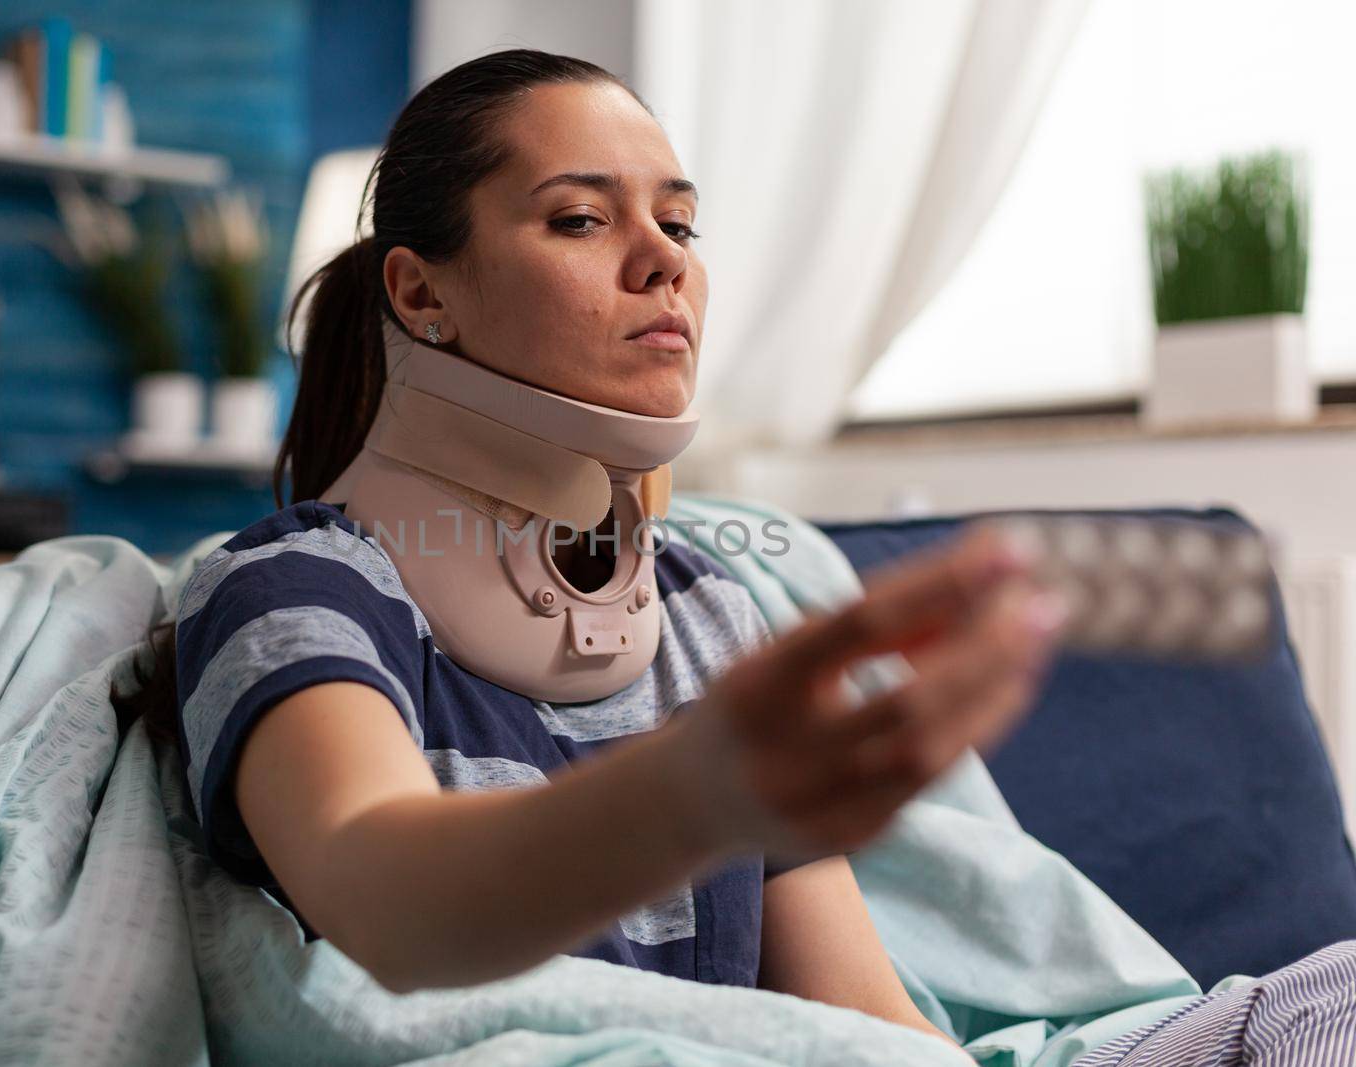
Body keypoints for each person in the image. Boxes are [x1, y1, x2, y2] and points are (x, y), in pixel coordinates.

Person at [115, 49, 1356, 1066]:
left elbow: (866, 1030)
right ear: (421, 294)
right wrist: (698, 790)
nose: (665, 259)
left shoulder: (709, 608)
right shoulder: (298, 588)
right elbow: (383, 899)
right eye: (582, 217)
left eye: (683, 221)